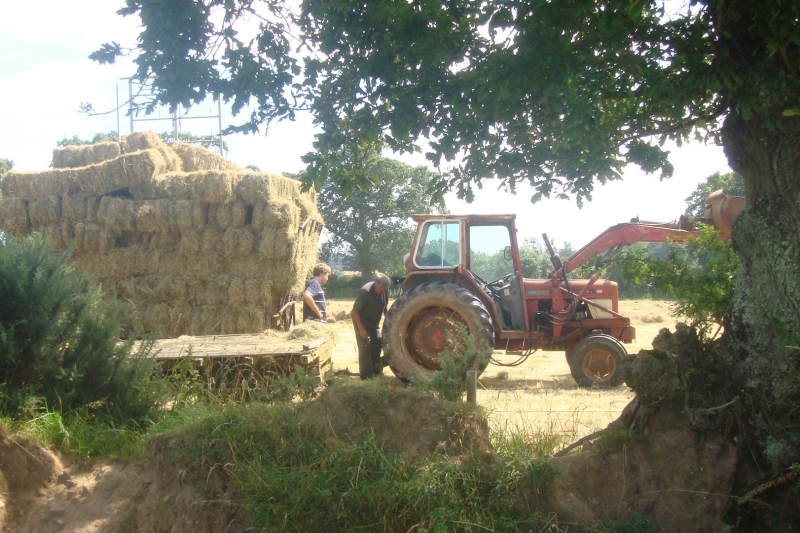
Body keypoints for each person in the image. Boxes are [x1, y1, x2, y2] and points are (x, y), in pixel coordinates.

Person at [351, 273, 391, 379]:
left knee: (377, 343)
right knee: (364, 347)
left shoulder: (385, 289)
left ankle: (376, 371)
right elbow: (354, 311)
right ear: (376, 285)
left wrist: (389, 322)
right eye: (382, 290)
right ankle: (366, 376)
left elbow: (385, 306)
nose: (384, 292)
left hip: (374, 323)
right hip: (362, 322)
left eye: (385, 290)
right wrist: (361, 329)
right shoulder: (365, 292)